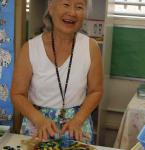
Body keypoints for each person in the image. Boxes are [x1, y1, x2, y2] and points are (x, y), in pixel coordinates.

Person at [11, 0, 103, 144]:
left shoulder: (91, 47)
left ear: (84, 13)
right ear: (51, 8)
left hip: (76, 125)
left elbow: (96, 91)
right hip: (38, 124)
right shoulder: (30, 48)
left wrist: (78, 119)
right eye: (66, 4)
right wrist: (39, 119)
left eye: (79, 7)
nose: (72, 13)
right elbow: (17, 94)